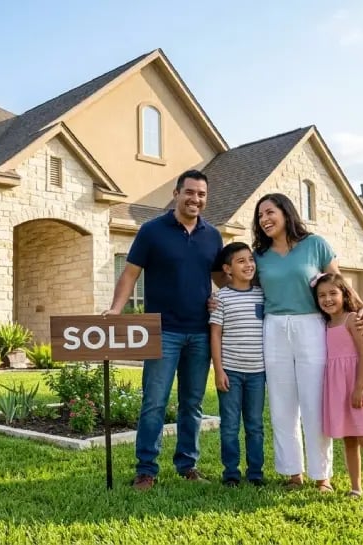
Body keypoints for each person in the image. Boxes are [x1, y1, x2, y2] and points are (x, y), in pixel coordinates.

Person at [105, 169, 224, 491]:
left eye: (201, 194)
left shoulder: (213, 236)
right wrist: (116, 309)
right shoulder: (152, 231)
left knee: (193, 403)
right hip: (161, 331)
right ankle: (146, 469)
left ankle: (188, 464)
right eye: (190, 192)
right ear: (176, 193)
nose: (195, 199)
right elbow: (129, 274)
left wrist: (225, 303)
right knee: (154, 402)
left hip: (200, 332)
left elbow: (222, 280)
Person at [251, 193, 363, 493]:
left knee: (316, 402)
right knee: (281, 405)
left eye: (270, 212)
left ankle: (322, 476)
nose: (264, 219)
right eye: (260, 215)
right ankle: (293, 473)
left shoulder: (315, 244)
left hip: (310, 326)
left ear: (286, 212)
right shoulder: (259, 255)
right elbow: (239, 283)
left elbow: (339, 284)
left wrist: (362, 309)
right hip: (274, 327)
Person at [312, 272, 363, 503]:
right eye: (321, 295)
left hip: (358, 384)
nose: (327, 299)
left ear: (344, 294)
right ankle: (355, 488)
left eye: (332, 293)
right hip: (338, 387)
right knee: (348, 439)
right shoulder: (326, 323)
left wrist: (359, 387)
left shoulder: (353, 319)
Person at [208, 242, 266, 487]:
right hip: (230, 371)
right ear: (228, 269)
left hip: (257, 373)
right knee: (230, 426)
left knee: (255, 425)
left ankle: (255, 473)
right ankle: (231, 473)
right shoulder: (220, 298)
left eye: (250, 260)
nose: (248, 264)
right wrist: (219, 370)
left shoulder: (263, 294)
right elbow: (215, 335)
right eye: (241, 261)